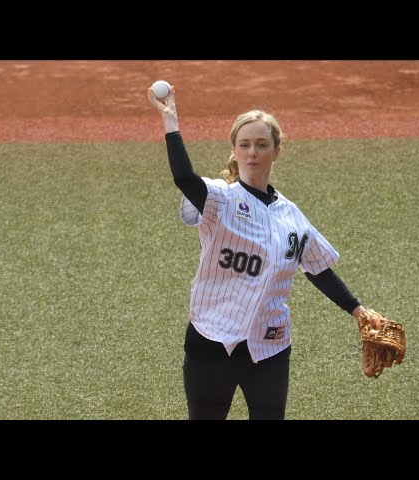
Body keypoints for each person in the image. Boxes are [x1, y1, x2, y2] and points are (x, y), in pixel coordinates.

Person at [147, 84, 368, 420]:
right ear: (234, 151)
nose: (253, 152)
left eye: (262, 145)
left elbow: (318, 268)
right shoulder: (219, 199)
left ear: (276, 152)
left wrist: (358, 311)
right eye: (245, 145)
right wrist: (170, 121)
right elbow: (184, 177)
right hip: (210, 342)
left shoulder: (292, 216)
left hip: (269, 346)